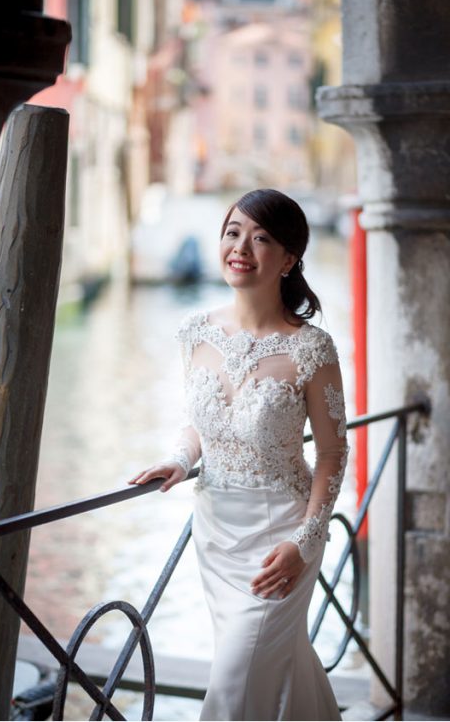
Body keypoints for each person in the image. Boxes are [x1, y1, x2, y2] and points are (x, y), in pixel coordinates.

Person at [129, 189, 347, 721]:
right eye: (233, 232)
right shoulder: (195, 332)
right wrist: (181, 459)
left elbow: (333, 454)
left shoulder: (310, 348)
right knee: (277, 666)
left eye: (261, 237)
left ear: (289, 258)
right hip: (216, 529)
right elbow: (201, 422)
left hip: (283, 536)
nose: (241, 247)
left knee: (234, 676)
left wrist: (306, 540)